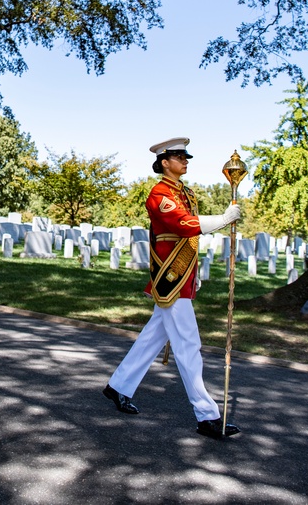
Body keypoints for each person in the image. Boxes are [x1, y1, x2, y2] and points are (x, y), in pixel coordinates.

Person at [102, 137, 242, 440]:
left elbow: (188, 240)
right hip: (169, 277)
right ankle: (207, 416)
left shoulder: (186, 192)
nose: (185, 161)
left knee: (152, 338)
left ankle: (117, 387)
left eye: (185, 157)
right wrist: (223, 219)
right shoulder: (159, 193)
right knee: (189, 346)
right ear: (165, 162)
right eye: (180, 157)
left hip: (181, 275)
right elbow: (182, 225)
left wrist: (194, 272)